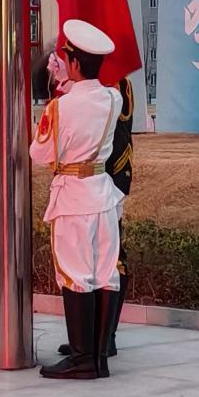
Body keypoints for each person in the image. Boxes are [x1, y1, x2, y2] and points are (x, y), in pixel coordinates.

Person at [31, 19, 124, 380]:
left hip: (72, 195)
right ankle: (99, 357)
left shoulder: (60, 107)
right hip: (103, 191)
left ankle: (82, 358)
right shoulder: (113, 98)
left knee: (74, 274)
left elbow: (39, 154)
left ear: (72, 63)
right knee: (105, 273)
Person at [57, 74, 132, 360]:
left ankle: (105, 338)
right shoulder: (90, 84)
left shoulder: (114, 82)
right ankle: (89, 340)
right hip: (90, 181)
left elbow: (117, 133)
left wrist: (119, 185)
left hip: (108, 177)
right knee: (88, 262)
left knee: (109, 261)